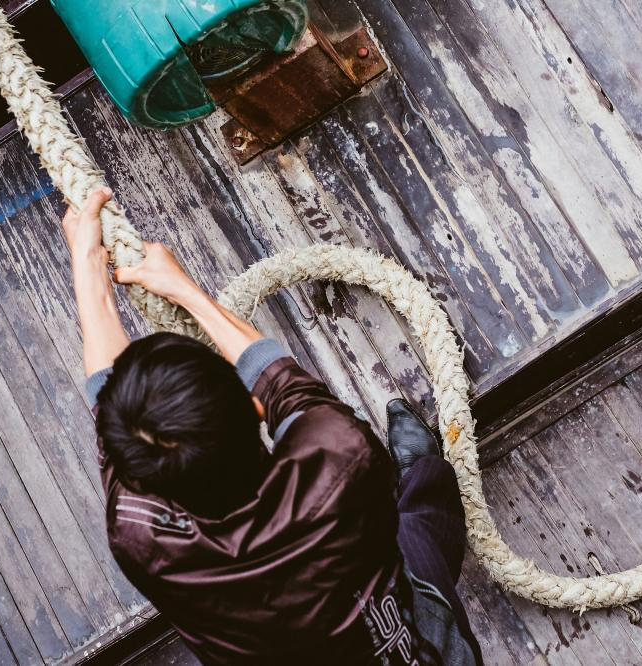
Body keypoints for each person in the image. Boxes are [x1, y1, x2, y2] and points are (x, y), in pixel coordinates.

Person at [63, 188, 483, 664]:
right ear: (257, 411)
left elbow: (108, 406)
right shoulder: (339, 458)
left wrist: (87, 268)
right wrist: (187, 293)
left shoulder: (139, 536)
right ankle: (426, 477)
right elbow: (282, 383)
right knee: (420, 522)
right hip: (418, 648)